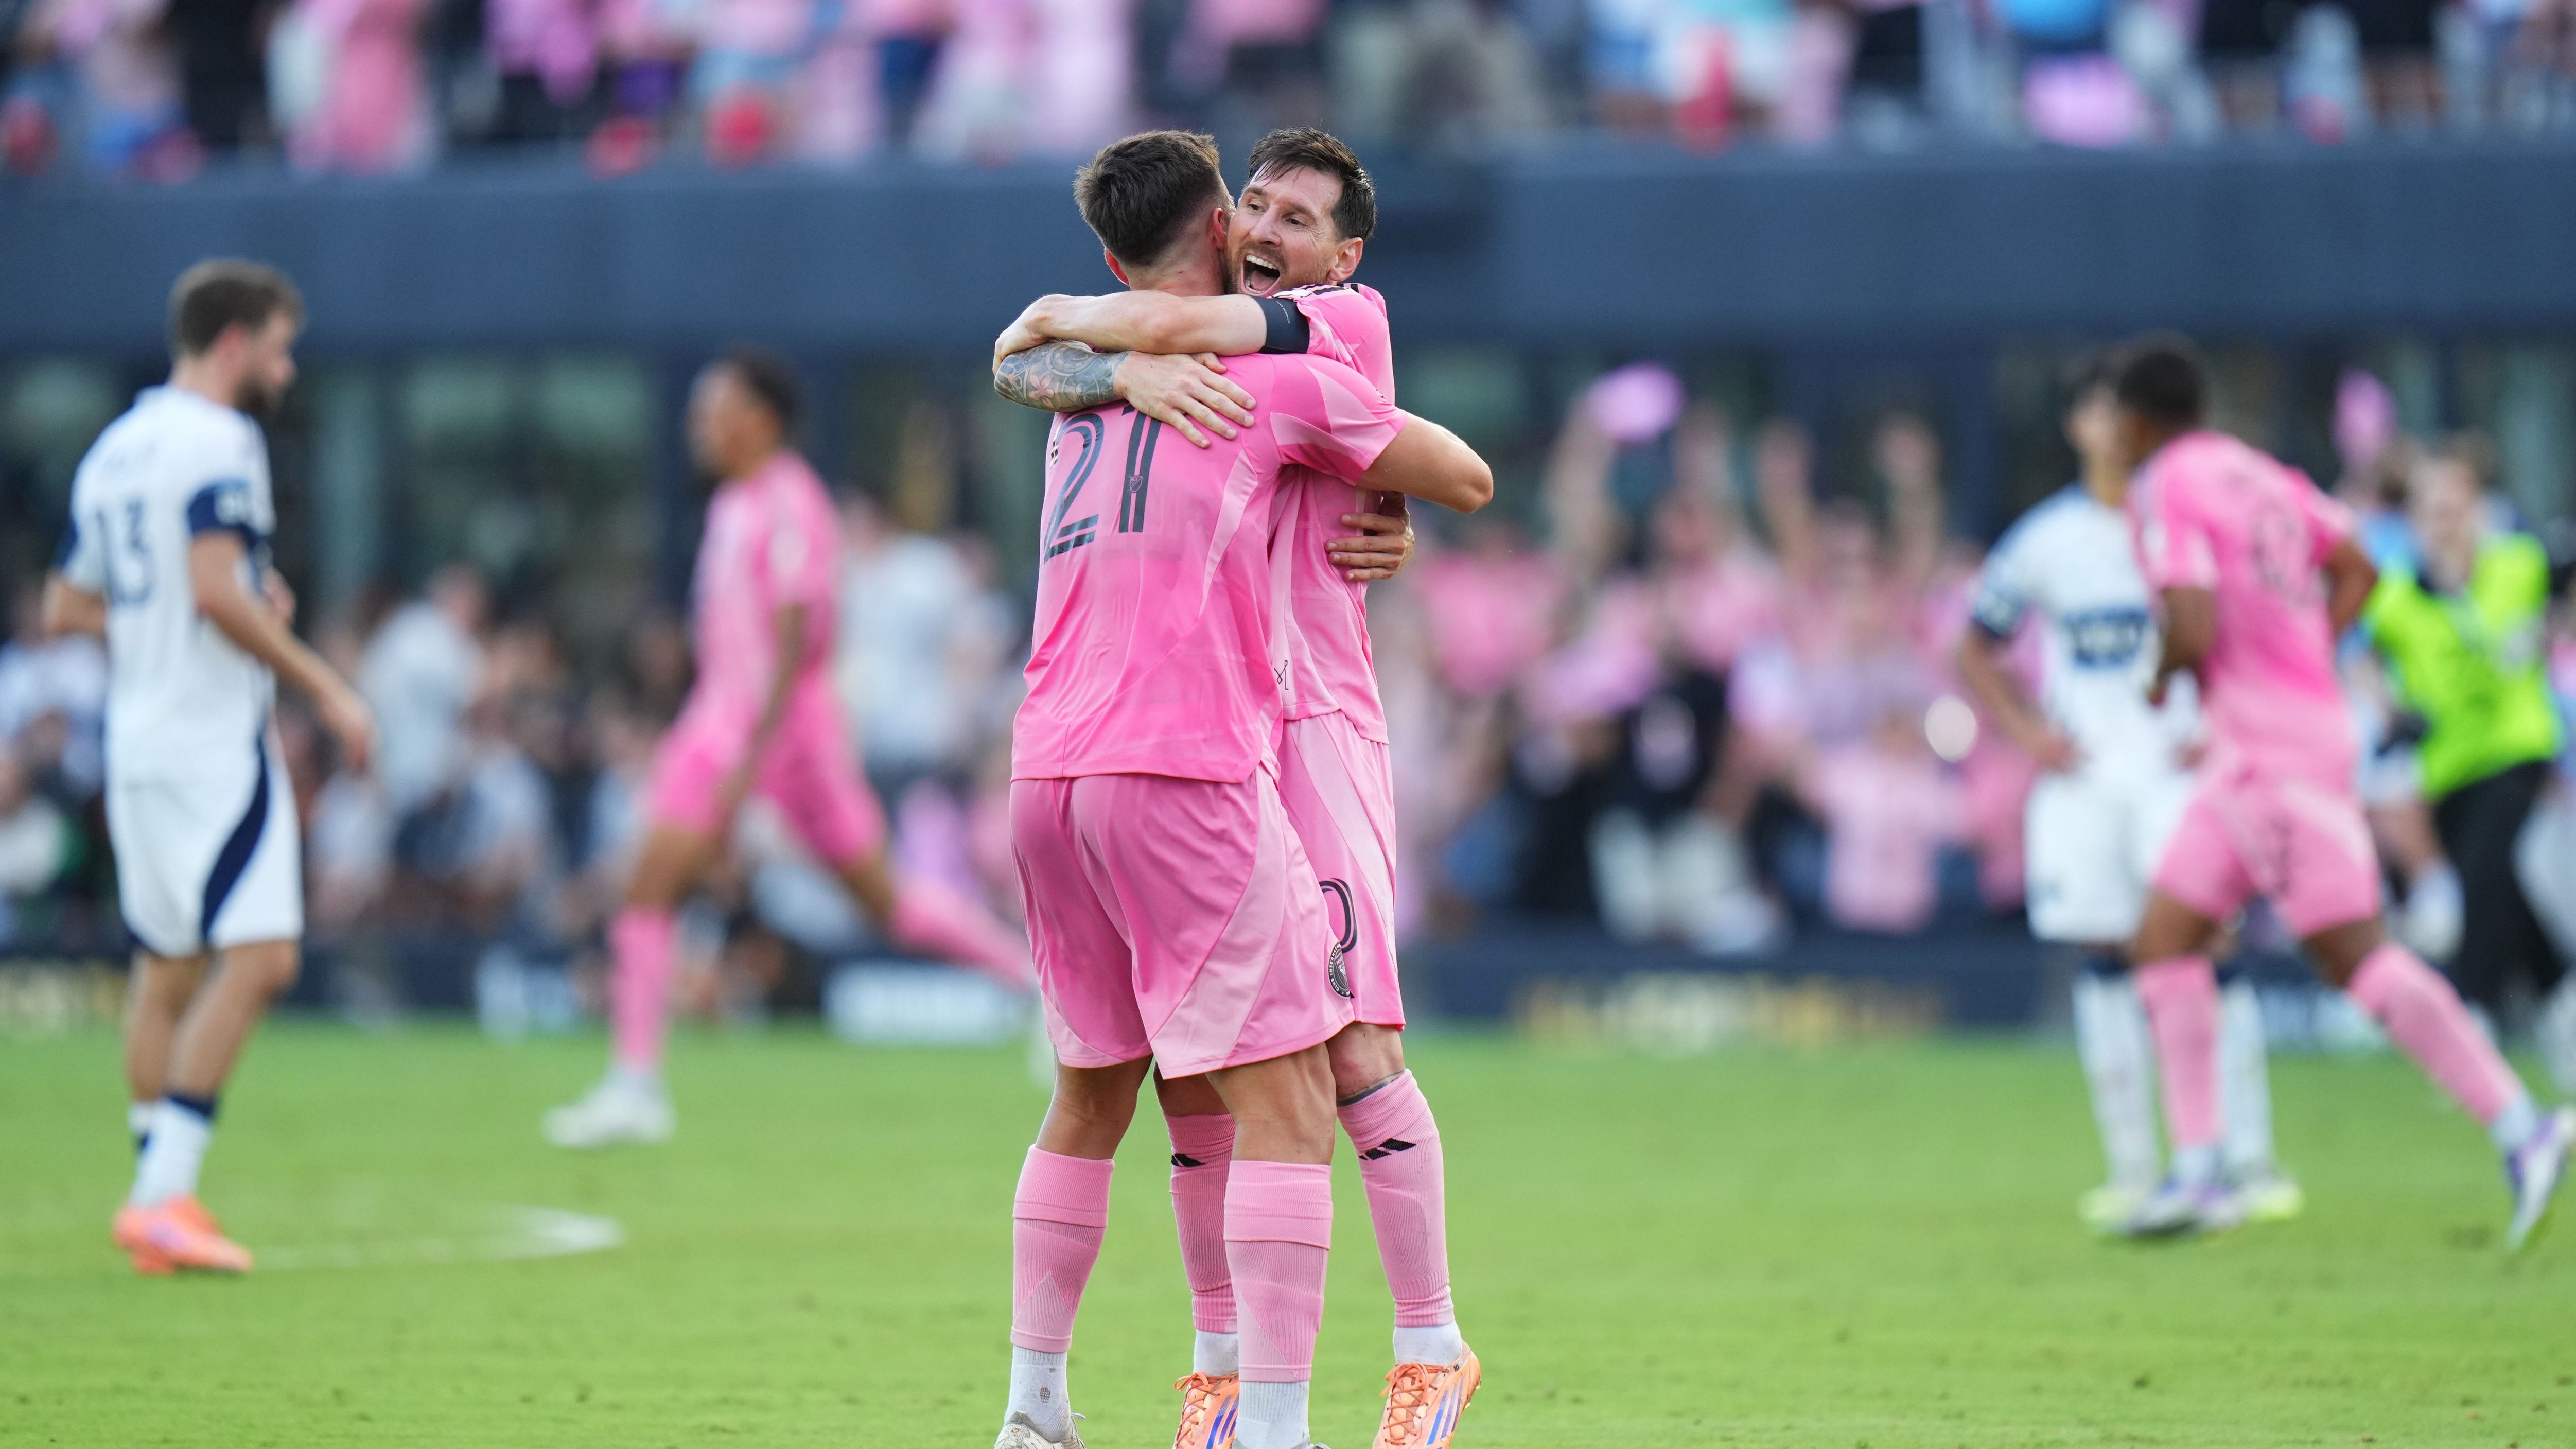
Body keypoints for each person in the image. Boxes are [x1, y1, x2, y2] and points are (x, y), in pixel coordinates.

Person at [986, 129, 1491, 1449]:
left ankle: (1428, 1347)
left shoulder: (1330, 329)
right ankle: (1233, 1388)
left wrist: (1102, 352)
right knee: (1220, 1089)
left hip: (1296, 719)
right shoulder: (1192, 376)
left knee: (1349, 1054)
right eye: (1255, 203)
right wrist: (1123, 364)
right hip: (1211, 734)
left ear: (1347, 256)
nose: (1269, 225)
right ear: (1219, 221)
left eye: (1297, 214)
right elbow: (1041, 352)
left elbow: (1460, 469)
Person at [2108, 335, 2574, 1247]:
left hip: (2260, 759)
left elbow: (2192, 620)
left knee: (2325, 955)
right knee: (2190, 941)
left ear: (2134, 421)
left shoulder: (2164, 486)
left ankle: (2523, 1129)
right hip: (2306, 738)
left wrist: (2159, 678)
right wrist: (2307, 654)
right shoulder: (2266, 476)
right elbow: (2358, 564)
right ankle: (2207, 1170)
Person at [540, 350, 1033, 1149]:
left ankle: (1035, 985)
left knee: (886, 903)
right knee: (649, 883)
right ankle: (634, 1082)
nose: (699, 425)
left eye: (714, 409)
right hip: (723, 728)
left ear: (760, 419)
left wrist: (752, 757)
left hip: (782, 738)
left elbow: (800, 636)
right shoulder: (735, 504)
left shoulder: (790, 500)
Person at [43, 260, 379, 1275]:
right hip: (208, 739)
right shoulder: (220, 441)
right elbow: (215, 593)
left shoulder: (113, 450)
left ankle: (157, 1202)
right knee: (265, 956)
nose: (285, 364)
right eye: (278, 343)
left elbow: (65, 607)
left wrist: (185, 609)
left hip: (136, 739)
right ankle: (163, 1195)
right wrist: (326, 685)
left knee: (169, 969)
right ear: (235, 340)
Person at [1955, 355, 2297, 1233]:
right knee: (2106, 959)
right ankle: (2137, 1168)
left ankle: (2246, 1161)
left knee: (2204, 948)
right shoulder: (2045, 539)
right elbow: (1973, 644)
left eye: (2129, 412)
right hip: (2089, 778)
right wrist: (2028, 730)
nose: (2119, 429)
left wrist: (2225, 721)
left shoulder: (2184, 524)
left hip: (2179, 773)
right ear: (2079, 426)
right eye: (2104, 412)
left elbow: (2253, 626)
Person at [2363, 442, 2576, 1075]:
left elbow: (2560, 590)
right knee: (2508, 893)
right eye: (2432, 506)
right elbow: (2360, 651)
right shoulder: (2397, 594)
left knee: (2486, 876)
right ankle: (2561, 1001)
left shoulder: (2517, 563)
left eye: (2455, 503)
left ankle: (2469, 1011)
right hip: (2447, 765)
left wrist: (2552, 629)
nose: (2444, 517)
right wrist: (2389, 708)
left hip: (2516, 747)